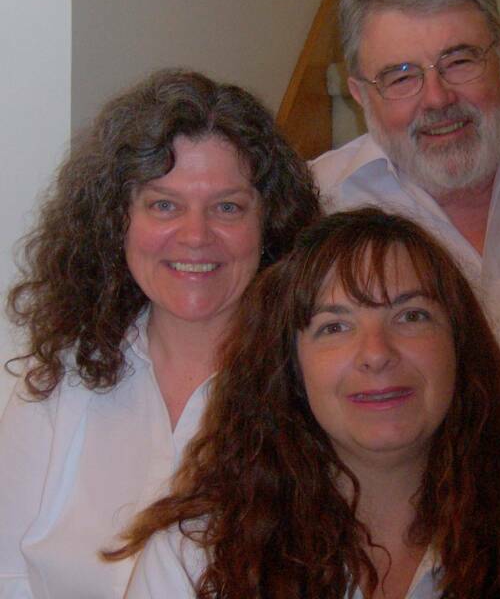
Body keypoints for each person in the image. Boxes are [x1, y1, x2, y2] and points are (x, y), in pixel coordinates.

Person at [107, 207, 500, 599]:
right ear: (290, 371)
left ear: (460, 351)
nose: (376, 353)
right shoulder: (195, 558)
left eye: (411, 316)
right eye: (334, 326)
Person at [0, 69, 321, 598]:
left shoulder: (317, 387)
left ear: (271, 226)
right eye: (163, 205)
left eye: (228, 207)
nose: (195, 236)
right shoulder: (58, 382)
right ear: (116, 221)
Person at [310, 0, 500, 327]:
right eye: (401, 77)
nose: (437, 98)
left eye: (459, 61)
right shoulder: (317, 203)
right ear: (360, 94)